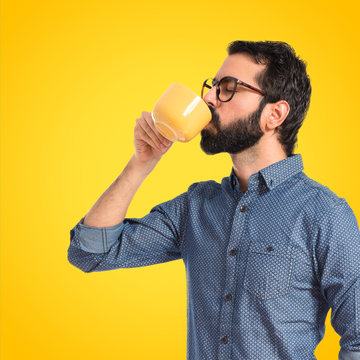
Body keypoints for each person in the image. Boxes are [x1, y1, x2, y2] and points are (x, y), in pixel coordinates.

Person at [67, 40, 360, 360]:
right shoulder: (195, 207)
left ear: (274, 114)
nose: (208, 97)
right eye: (213, 85)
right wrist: (141, 164)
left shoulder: (325, 215)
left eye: (228, 87)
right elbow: (90, 253)